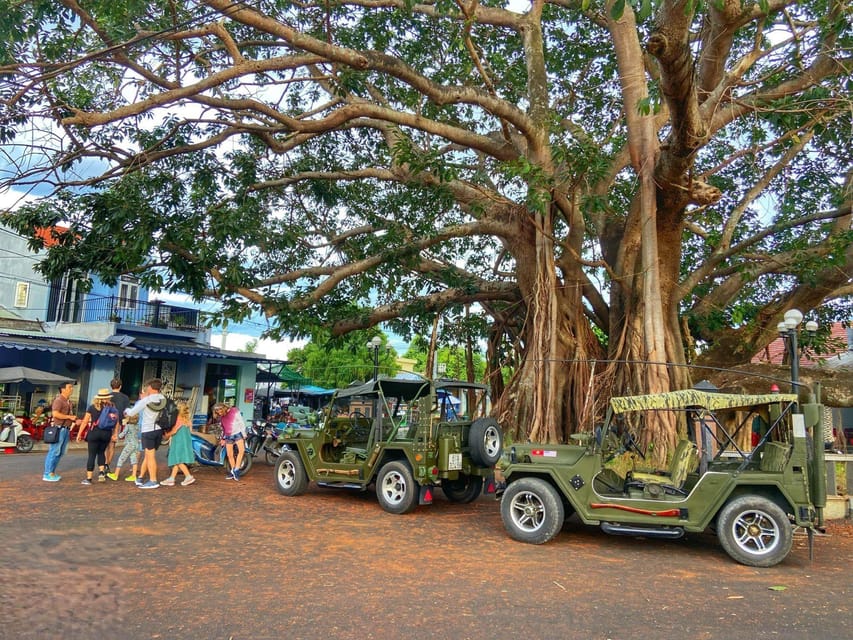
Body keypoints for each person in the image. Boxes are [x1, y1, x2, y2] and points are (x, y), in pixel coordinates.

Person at [124, 378, 166, 489]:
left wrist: (126, 410)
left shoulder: (147, 400)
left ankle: (153, 480)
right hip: (159, 430)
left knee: (150, 456)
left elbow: (132, 412)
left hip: (148, 430)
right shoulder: (163, 398)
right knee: (149, 455)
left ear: (151, 387)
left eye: (147, 387)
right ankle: (141, 477)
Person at [77, 388, 120, 485]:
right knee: (101, 452)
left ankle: (89, 478)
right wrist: (115, 433)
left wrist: (79, 434)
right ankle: (101, 472)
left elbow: (84, 421)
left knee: (92, 454)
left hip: (94, 432)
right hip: (106, 433)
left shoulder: (92, 407)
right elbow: (116, 422)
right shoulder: (112, 407)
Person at [43, 381, 76, 482]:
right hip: (59, 429)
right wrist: (69, 417)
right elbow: (56, 414)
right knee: (54, 451)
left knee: (60, 452)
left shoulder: (68, 402)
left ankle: (52, 472)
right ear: (63, 389)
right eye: (69, 387)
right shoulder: (59, 400)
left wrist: (74, 420)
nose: (72, 389)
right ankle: (47, 473)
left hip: (66, 429)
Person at [160, 401, 196, 487]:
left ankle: (188, 476)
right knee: (177, 460)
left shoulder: (177, 419)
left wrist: (166, 435)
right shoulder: (187, 420)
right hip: (185, 442)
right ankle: (171, 478)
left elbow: (174, 431)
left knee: (177, 459)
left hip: (178, 442)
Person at [213, 402, 246, 480]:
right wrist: (223, 439)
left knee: (242, 451)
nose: (219, 413)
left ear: (223, 408)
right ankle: (233, 471)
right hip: (228, 436)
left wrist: (244, 433)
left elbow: (241, 422)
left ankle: (236, 470)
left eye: (220, 412)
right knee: (229, 455)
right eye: (217, 412)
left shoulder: (234, 411)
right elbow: (223, 429)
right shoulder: (221, 417)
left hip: (237, 434)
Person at [104, 377, 130, 473]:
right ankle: (107, 464)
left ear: (111, 386)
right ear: (120, 386)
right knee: (112, 444)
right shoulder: (125, 398)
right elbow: (126, 412)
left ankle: (102, 465)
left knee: (104, 444)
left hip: (105, 423)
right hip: (117, 424)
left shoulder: (106, 397)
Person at [108, 412, 141, 482]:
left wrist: (116, 437)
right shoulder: (137, 426)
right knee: (134, 459)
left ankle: (116, 474)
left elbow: (123, 434)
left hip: (129, 444)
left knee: (121, 458)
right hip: (136, 444)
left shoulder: (128, 426)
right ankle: (134, 475)